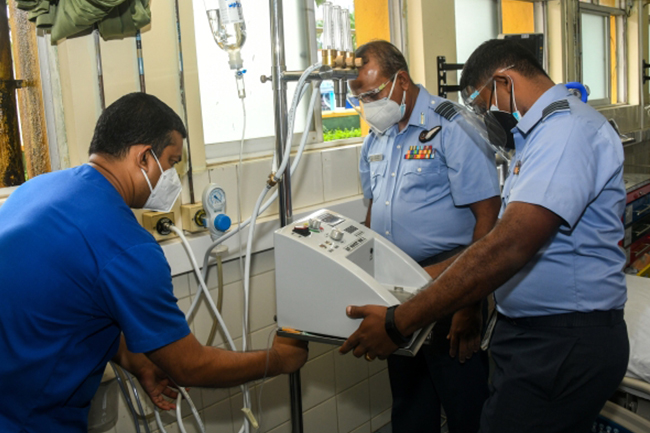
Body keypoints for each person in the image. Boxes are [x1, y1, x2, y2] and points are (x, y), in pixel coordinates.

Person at [341, 39, 629, 433]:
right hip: (532, 334)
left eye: (480, 105)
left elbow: (507, 243)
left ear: (503, 82)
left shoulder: (567, 132)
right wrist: (406, 289)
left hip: (562, 339)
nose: (481, 117)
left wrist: (400, 320)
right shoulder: (538, 137)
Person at [0, 93, 308, 433]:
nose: (173, 176)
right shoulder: (127, 245)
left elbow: (64, 311)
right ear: (144, 157)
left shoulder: (37, 189)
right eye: (172, 162)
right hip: (26, 420)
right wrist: (279, 360)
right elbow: (190, 366)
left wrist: (135, 360)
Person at [349, 40, 501, 433]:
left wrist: (470, 303)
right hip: (397, 288)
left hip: (453, 282)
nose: (367, 105)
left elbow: (489, 216)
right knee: (410, 405)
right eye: (358, 98)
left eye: (371, 94)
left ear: (401, 80)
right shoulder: (374, 140)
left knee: (466, 404)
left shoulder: (454, 126)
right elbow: (372, 213)